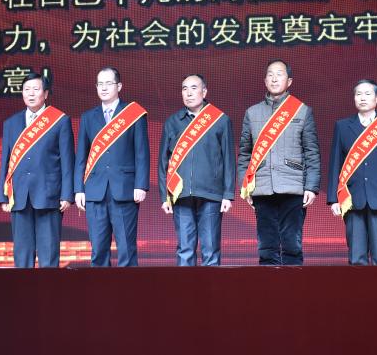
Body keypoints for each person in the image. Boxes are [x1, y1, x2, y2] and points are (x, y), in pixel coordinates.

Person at [237, 59, 319, 266]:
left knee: (292, 244)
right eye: (270, 75)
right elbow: (244, 153)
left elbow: (311, 152)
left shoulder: (302, 110)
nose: (274, 79)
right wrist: (245, 186)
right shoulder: (252, 113)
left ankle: (294, 285)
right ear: (265, 80)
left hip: (293, 186)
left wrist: (311, 187)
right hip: (262, 187)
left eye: (279, 74)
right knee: (266, 245)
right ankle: (267, 285)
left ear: (289, 81)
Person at [327, 79, 377, 265]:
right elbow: (335, 163)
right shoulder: (342, 126)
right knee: (356, 257)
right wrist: (333, 198)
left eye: (367, 94)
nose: (362, 98)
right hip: (352, 197)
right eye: (358, 94)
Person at [0, 70, 73, 268]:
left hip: (49, 196)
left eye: (36, 89)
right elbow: (5, 161)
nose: (31, 93)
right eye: (26, 89)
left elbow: (67, 161)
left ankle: (49, 289)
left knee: (49, 256)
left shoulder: (60, 121)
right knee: (22, 256)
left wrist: (66, 195)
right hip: (19, 196)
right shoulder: (11, 123)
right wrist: (2, 196)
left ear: (45, 94)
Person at [74, 66, 149, 267]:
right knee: (98, 251)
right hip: (94, 191)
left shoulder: (133, 114)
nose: (104, 88)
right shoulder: (88, 117)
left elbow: (141, 152)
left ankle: (127, 287)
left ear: (119, 86)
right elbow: (81, 156)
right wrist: (78, 189)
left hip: (124, 190)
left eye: (109, 83)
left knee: (126, 249)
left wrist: (141, 185)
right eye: (100, 84)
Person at [157, 74, 235, 266]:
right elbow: (163, 162)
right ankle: (185, 287)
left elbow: (229, 160)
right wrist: (165, 196)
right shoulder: (172, 122)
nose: (189, 93)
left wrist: (228, 194)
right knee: (185, 250)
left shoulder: (220, 120)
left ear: (204, 92)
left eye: (194, 88)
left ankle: (211, 286)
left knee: (211, 250)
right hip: (180, 195)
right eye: (184, 89)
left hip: (211, 195)